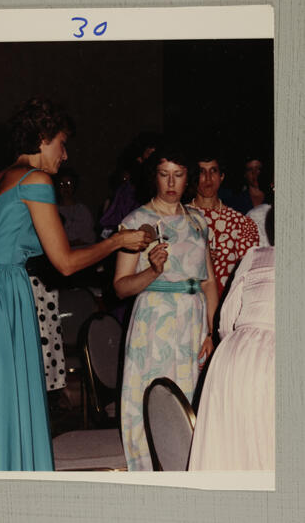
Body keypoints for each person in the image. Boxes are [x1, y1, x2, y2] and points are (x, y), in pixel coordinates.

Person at [0, 97, 151, 471]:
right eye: (62, 142)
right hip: (5, 294)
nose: (65, 153)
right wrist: (118, 242)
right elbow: (66, 263)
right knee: (6, 396)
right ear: (42, 138)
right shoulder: (35, 181)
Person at [113, 145, 218, 470]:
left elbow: (209, 281)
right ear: (154, 177)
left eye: (178, 174)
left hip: (193, 323)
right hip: (154, 323)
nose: (171, 183)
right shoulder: (137, 222)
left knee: (188, 401)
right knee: (152, 399)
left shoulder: (198, 220)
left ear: (188, 178)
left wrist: (211, 330)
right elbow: (119, 286)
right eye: (164, 174)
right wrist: (152, 271)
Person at [189, 206, 275, 470]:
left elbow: (226, 321)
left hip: (234, 357)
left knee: (229, 455)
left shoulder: (256, 255)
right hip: (270, 361)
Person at [188, 156, 259, 296]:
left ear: (222, 176)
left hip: (225, 306)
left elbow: (249, 276)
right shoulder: (179, 219)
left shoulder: (241, 223)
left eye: (213, 171)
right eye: (202, 172)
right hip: (189, 303)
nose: (208, 178)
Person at [57, 168, 96, 247]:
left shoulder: (82, 211)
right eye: (62, 184)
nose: (65, 187)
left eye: (68, 183)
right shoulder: (53, 211)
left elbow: (89, 237)